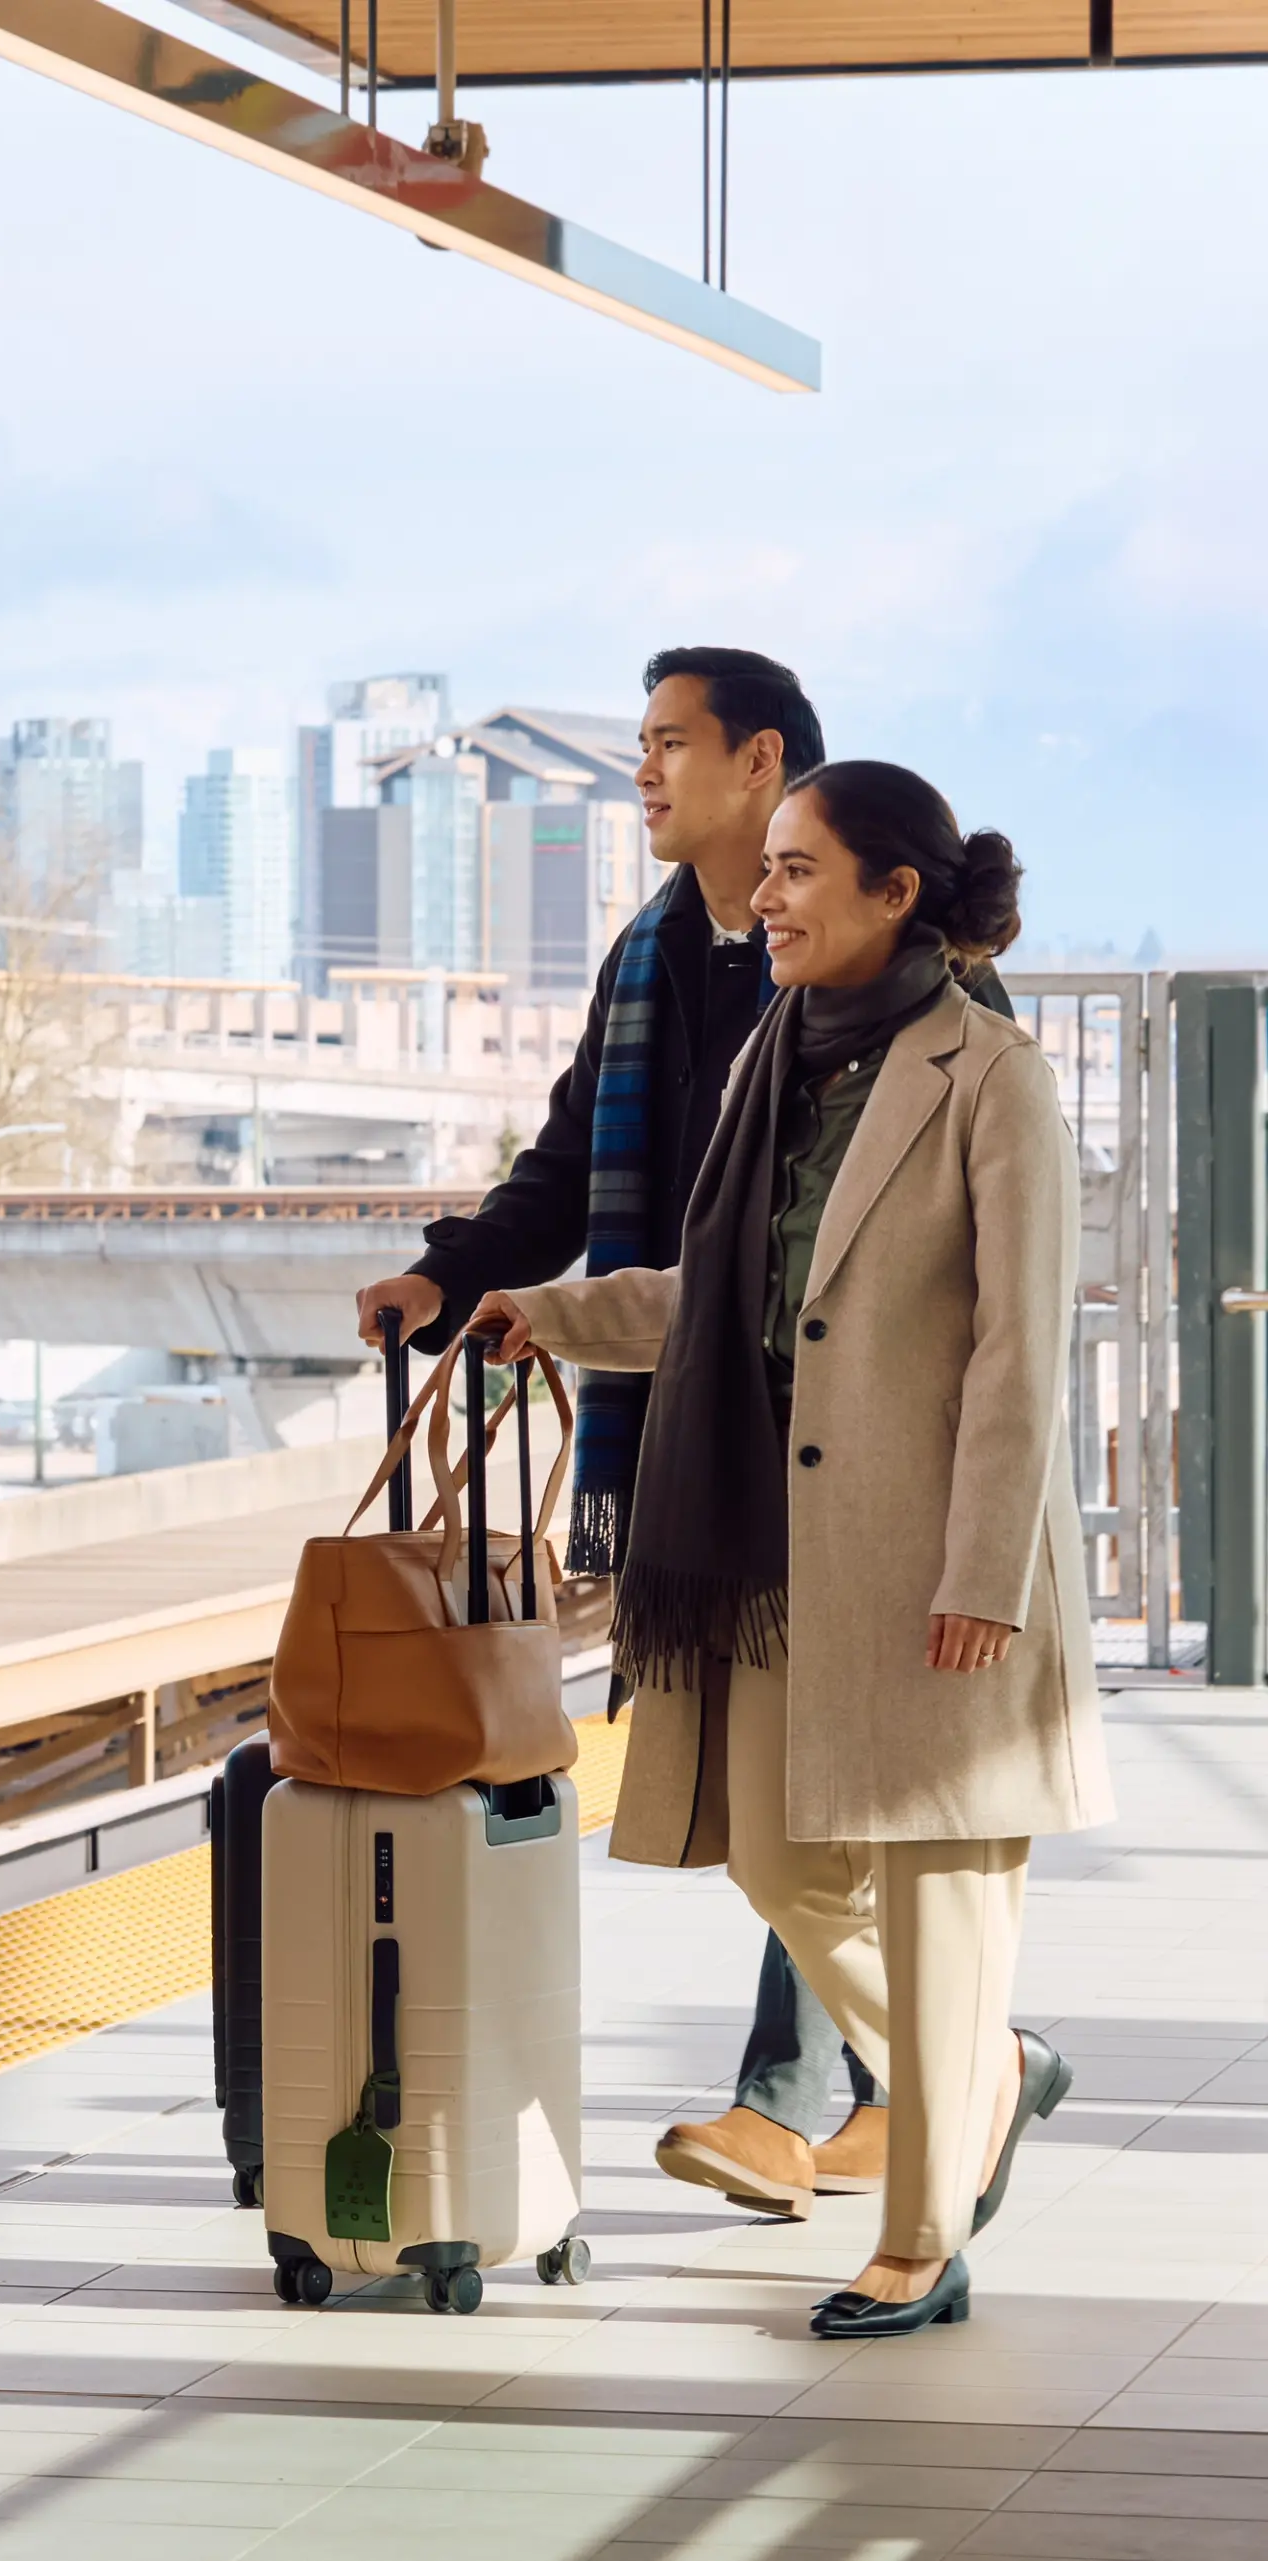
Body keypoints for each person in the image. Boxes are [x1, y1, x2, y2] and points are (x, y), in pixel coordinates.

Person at [475, 761, 1103, 2339]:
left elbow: (1022, 1354)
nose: (764, 899)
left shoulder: (991, 1077)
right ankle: (993, 2071)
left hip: (932, 1556)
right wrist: (547, 1315)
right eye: (766, 872)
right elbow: (722, 1301)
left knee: (937, 1891)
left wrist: (982, 1577)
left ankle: (918, 2239)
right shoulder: (778, 1063)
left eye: (798, 870)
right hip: (769, 1544)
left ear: (897, 894)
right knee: (771, 1848)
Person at [354, 646, 890, 2219]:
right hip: (694, 1418)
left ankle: (799, 2098)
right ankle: (921, 2071)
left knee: (803, 1778)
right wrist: (452, 1270)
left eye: (669, 745)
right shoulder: (656, 952)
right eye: (639, 745)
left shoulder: (845, 968)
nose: (642, 775)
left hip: (824, 1430)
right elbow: (569, 1160)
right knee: (780, 1777)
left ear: (759, 761)